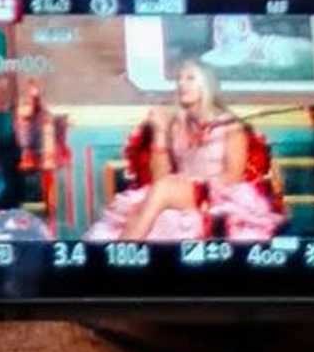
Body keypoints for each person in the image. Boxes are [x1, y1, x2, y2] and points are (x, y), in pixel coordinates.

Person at [87, 56, 283, 244]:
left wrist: (195, 184)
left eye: (190, 78)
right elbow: (159, 177)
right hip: (180, 191)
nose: (182, 84)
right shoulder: (176, 125)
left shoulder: (230, 126)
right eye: (179, 79)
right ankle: (123, 252)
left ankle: (122, 249)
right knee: (152, 197)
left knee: (164, 189)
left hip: (218, 192)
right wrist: (161, 132)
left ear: (206, 85)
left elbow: (233, 176)